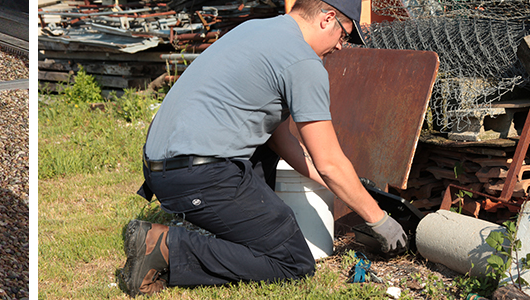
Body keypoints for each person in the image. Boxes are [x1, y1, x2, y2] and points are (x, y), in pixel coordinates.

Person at [120, 0, 409, 296]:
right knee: (293, 261)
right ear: (328, 18)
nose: (340, 46)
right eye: (344, 35)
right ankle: (165, 247)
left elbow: (278, 138)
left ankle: (244, 230)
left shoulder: (256, 29)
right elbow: (330, 162)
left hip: (162, 169)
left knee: (267, 157)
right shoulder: (303, 61)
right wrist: (379, 220)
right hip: (198, 175)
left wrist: (339, 185)